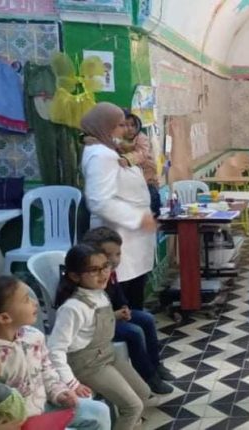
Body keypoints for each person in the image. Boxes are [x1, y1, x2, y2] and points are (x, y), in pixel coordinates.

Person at [48, 245, 152, 430]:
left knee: (143, 393)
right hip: (87, 365)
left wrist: (116, 315)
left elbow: (93, 323)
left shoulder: (100, 293)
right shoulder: (72, 308)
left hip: (107, 355)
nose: (103, 273)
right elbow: (55, 349)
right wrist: (72, 383)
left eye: (105, 266)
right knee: (133, 407)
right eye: (94, 270)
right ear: (75, 276)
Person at [0, 276, 111, 430]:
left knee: (99, 412)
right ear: (5, 318)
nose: (35, 302)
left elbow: (47, 370)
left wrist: (58, 392)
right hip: (16, 422)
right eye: (26, 300)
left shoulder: (33, 336)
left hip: (44, 405)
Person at [80, 102, 157, 311]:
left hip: (131, 238)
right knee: (123, 298)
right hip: (119, 235)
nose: (125, 130)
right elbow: (99, 201)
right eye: (120, 125)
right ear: (105, 126)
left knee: (134, 293)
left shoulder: (108, 150)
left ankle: (136, 325)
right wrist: (138, 219)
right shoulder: (100, 155)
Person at [82, 227, 174, 395]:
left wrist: (124, 307)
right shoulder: (88, 278)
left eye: (118, 254)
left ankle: (155, 365)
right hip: (96, 325)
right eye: (108, 255)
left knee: (147, 318)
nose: (114, 260)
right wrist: (115, 315)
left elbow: (117, 293)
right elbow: (89, 315)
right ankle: (148, 377)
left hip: (111, 316)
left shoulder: (109, 271)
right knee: (134, 332)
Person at [118, 109, 161, 217]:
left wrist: (128, 159)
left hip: (147, 181)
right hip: (130, 184)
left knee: (152, 207)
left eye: (133, 125)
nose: (130, 129)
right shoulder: (118, 141)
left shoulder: (141, 138)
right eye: (125, 125)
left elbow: (142, 154)